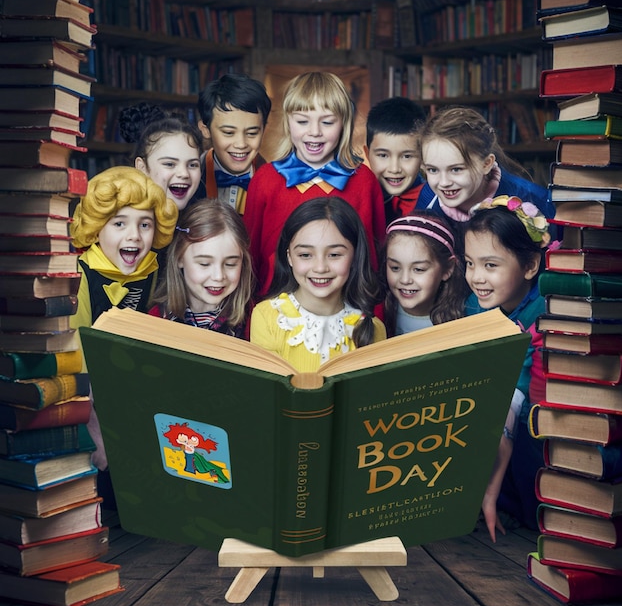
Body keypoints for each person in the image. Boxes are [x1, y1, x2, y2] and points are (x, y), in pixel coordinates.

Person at [69, 166, 178, 482]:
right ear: (97, 227)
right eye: (120, 224)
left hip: (135, 392)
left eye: (145, 224)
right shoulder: (80, 275)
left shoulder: (155, 271)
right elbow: (79, 364)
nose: (135, 235)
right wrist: (95, 430)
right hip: (90, 399)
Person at [243, 71, 386, 295]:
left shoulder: (364, 182)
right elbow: (250, 258)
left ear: (344, 124)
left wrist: (373, 316)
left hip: (349, 312)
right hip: (275, 311)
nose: (315, 132)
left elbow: (373, 263)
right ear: (287, 122)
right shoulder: (265, 179)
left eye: (327, 122)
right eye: (302, 121)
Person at [463, 195, 551, 542]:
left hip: (526, 415)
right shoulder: (475, 304)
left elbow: (518, 388)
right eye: (470, 264)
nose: (476, 277)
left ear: (530, 266)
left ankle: (528, 514)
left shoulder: (544, 310)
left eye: (490, 265)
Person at [250, 196, 386, 373]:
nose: (320, 268)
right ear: (289, 257)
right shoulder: (267, 317)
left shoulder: (372, 328)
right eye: (306, 255)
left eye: (335, 255)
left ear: (355, 256)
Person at [416, 106, 553, 225]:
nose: (444, 183)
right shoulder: (429, 196)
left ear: (486, 164)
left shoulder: (533, 202)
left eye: (456, 169)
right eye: (433, 170)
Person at [148, 199, 254, 339]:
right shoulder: (155, 318)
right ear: (180, 258)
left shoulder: (255, 320)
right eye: (204, 264)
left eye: (230, 264)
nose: (218, 276)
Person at [381, 211, 468, 337]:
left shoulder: (465, 318)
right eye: (395, 268)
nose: (405, 280)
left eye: (419, 269)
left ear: (447, 268)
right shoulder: (377, 314)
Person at [195, 73, 272, 213]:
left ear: (264, 130)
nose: (241, 144)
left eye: (252, 133)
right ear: (205, 130)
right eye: (229, 133)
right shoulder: (191, 176)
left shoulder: (274, 182)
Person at [118, 102, 203, 211]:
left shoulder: (203, 221)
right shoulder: (125, 222)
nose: (184, 174)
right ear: (142, 167)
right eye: (169, 164)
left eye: (192, 165)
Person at [365, 96, 427, 223]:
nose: (394, 169)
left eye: (407, 156)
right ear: (367, 154)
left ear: (423, 156)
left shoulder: (436, 201)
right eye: (383, 155)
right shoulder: (361, 198)